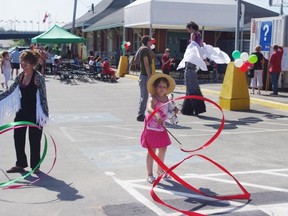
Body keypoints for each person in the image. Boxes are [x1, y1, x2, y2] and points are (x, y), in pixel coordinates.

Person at [0, 50, 49, 174]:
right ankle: (20, 163)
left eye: (25, 63)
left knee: (34, 139)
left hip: (35, 113)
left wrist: (44, 116)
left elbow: (43, 98)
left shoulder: (38, 77)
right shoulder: (20, 76)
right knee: (18, 137)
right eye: (22, 62)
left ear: (32, 64)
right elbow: (10, 91)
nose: (22, 65)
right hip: (22, 111)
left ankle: (35, 166)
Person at [177, 21, 230, 116]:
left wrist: (191, 45)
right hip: (193, 68)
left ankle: (199, 108)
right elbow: (201, 46)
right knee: (190, 89)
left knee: (192, 89)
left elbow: (193, 44)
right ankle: (187, 109)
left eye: (187, 28)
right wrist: (204, 59)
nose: (187, 30)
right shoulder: (199, 35)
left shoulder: (193, 37)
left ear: (190, 28)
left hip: (190, 68)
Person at [140, 73, 178, 184]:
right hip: (151, 129)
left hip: (161, 129)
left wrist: (175, 111)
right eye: (160, 86)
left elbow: (172, 109)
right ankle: (150, 174)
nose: (162, 89)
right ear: (155, 87)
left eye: (164, 87)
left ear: (167, 89)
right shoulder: (153, 98)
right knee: (151, 151)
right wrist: (156, 115)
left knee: (163, 149)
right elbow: (149, 108)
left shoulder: (167, 98)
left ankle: (160, 171)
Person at [136, 35, 154, 122]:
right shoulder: (145, 50)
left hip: (144, 75)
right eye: (150, 41)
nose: (152, 42)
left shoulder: (144, 49)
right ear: (147, 41)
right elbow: (146, 63)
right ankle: (140, 114)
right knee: (144, 96)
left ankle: (143, 113)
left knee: (145, 95)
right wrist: (149, 75)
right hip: (145, 75)